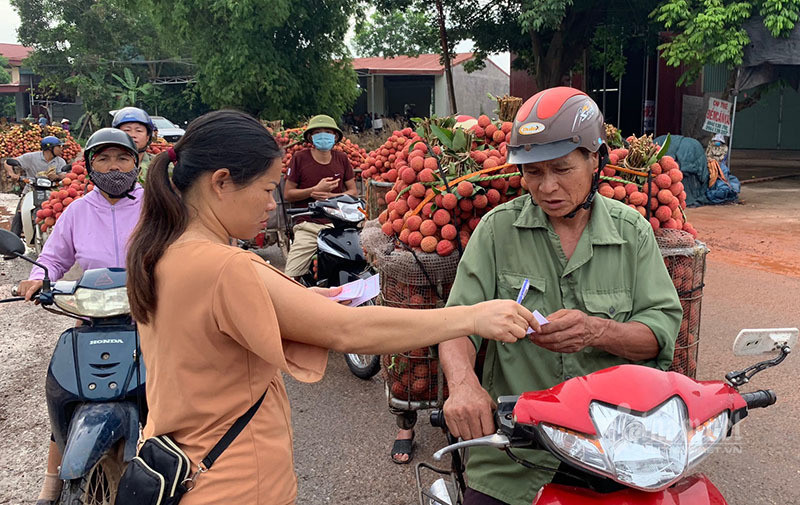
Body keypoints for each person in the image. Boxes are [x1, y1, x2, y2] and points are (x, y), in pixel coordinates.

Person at [124, 109, 534, 505]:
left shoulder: (160, 251)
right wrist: (472, 316)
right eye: (266, 190)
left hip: (182, 468)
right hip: (233, 483)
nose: (271, 204)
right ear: (221, 182)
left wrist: (308, 300)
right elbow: (348, 330)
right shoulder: (225, 267)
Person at [438, 87, 683, 505]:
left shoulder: (633, 234)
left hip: (615, 447)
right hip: (516, 452)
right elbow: (457, 323)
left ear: (596, 160)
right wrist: (462, 385)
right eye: (533, 172)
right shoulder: (497, 232)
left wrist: (597, 331)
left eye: (562, 168)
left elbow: (658, 335)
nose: (547, 186)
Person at [15, 128, 144, 505]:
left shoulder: (156, 205)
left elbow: (181, 249)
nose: (114, 167)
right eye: (103, 159)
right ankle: (52, 482)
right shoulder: (78, 211)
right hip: (93, 319)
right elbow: (53, 258)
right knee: (72, 393)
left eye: (122, 158)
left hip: (150, 316)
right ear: (89, 165)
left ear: (136, 163)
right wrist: (37, 278)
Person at [283, 114, 357, 279]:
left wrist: (332, 196)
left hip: (338, 224)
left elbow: (353, 191)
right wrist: (313, 191)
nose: (323, 135)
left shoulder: (342, 159)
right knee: (291, 275)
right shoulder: (300, 158)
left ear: (335, 136)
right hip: (308, 225)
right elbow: (288, 194)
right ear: (310, 137)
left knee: (358, 259)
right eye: (318, 132)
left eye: (328, 132)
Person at [3, 136, 68, 238]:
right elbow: (7, 162)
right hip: (31, 189)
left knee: (58, 212)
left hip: (51, 190)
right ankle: (13, 240)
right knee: (20, 214)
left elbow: (64, 175)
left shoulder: (60, 161)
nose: (61, 149)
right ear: (50, 148)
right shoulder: (31, 157)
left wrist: (57, 176)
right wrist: (12, 174)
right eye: (59, 146)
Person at [112, 106, 155, 180]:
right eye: (127, 130)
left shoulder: (159, 164)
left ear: (147, 137)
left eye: (139, 131)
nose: (133, 135)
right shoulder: (107, 164)